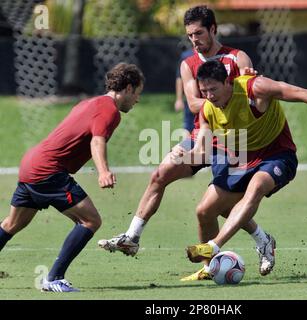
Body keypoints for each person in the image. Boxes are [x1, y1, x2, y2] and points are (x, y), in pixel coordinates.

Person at [98, 5, 269, 282]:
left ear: (213, 29)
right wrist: (227, 98)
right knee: (160, 174)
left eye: (199, 33)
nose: (194, 39)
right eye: (189, 34)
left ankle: (262, 240)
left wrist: (242, 90)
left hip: (233, 140)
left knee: (219, 206)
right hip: (199, 137)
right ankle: (132, 237)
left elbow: (251, 97)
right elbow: (192, 103)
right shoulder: (188, 63)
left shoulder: (237, 58)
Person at [183, 60, 307, 275]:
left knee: (255, 189)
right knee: (205, 211)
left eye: (213, 89)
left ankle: (213, 246)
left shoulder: (255, 88)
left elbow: (301, 93)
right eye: (204, 91)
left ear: (227, 82)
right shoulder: (207, 110)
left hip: (277, 155)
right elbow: (202, 149)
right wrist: (185, 156)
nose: (209, 96)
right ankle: (215, 267)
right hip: (242, 160)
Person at [0, 63, 144, 292]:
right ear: (128, 88)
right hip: (48, 170)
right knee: (91, 220)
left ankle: (53, 277)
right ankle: (54, 278)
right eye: (137, 93)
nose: (137, 100)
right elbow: (97, 140)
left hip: (31, 164)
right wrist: (104, 171)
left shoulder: (89, 102)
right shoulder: (110, 110)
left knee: (12, 224)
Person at [174, 48, 195, 134]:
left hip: (208, 101)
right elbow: (179, 78)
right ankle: (186, 146)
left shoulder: (214, 55)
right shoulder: (187, 56)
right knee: (188, 129)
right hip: (190, 99)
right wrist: (179, 99)